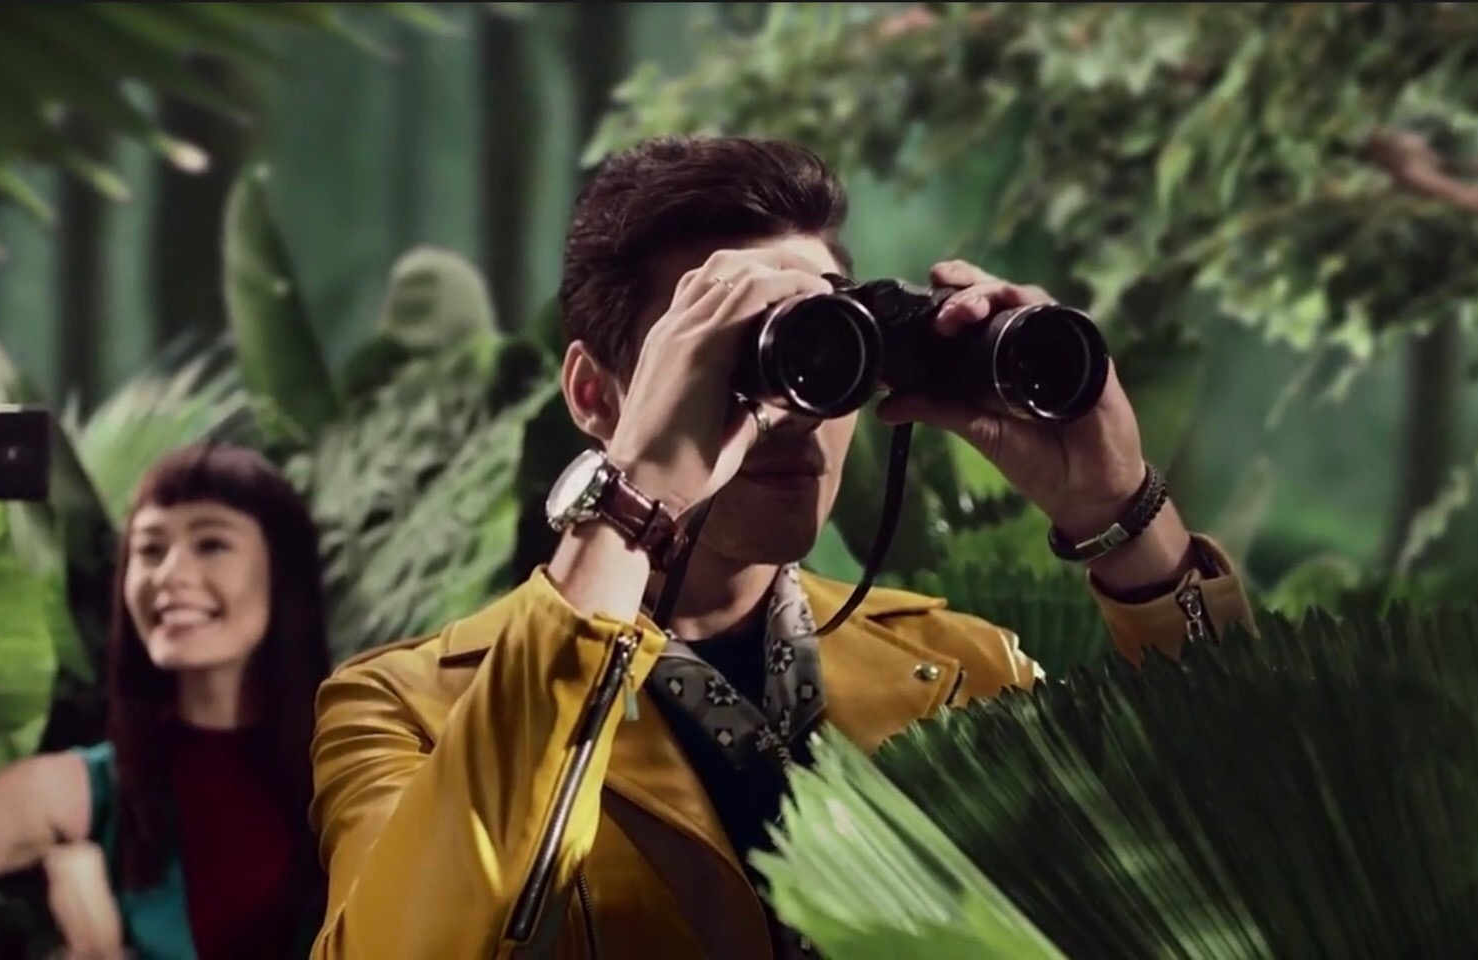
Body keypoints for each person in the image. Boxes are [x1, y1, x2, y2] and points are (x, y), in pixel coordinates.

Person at [307, 136, 1260, 959]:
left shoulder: (966, 672)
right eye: (729, 356)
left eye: (821, 350)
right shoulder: (405, 709)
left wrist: (1119, 512)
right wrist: (638, 493)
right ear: (597, 396)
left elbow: (1255, 869)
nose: (794, 412)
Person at [0, 406, 333, 960]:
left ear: (282, 575)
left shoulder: (366, 774)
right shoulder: (85, 792)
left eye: (211, 543)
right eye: (150, 549)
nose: (169, 575)